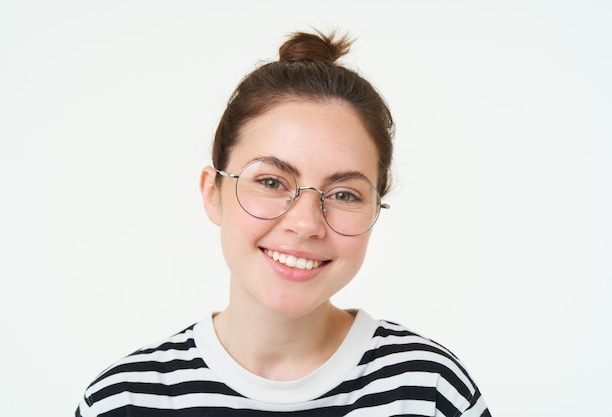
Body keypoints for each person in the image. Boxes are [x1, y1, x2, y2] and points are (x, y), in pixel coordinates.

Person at [76, 30, 491, 417]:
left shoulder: (431, 390)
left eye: (345, 194)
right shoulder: (122, 400)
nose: (306, 223)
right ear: (212, 193)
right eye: (272, 182)